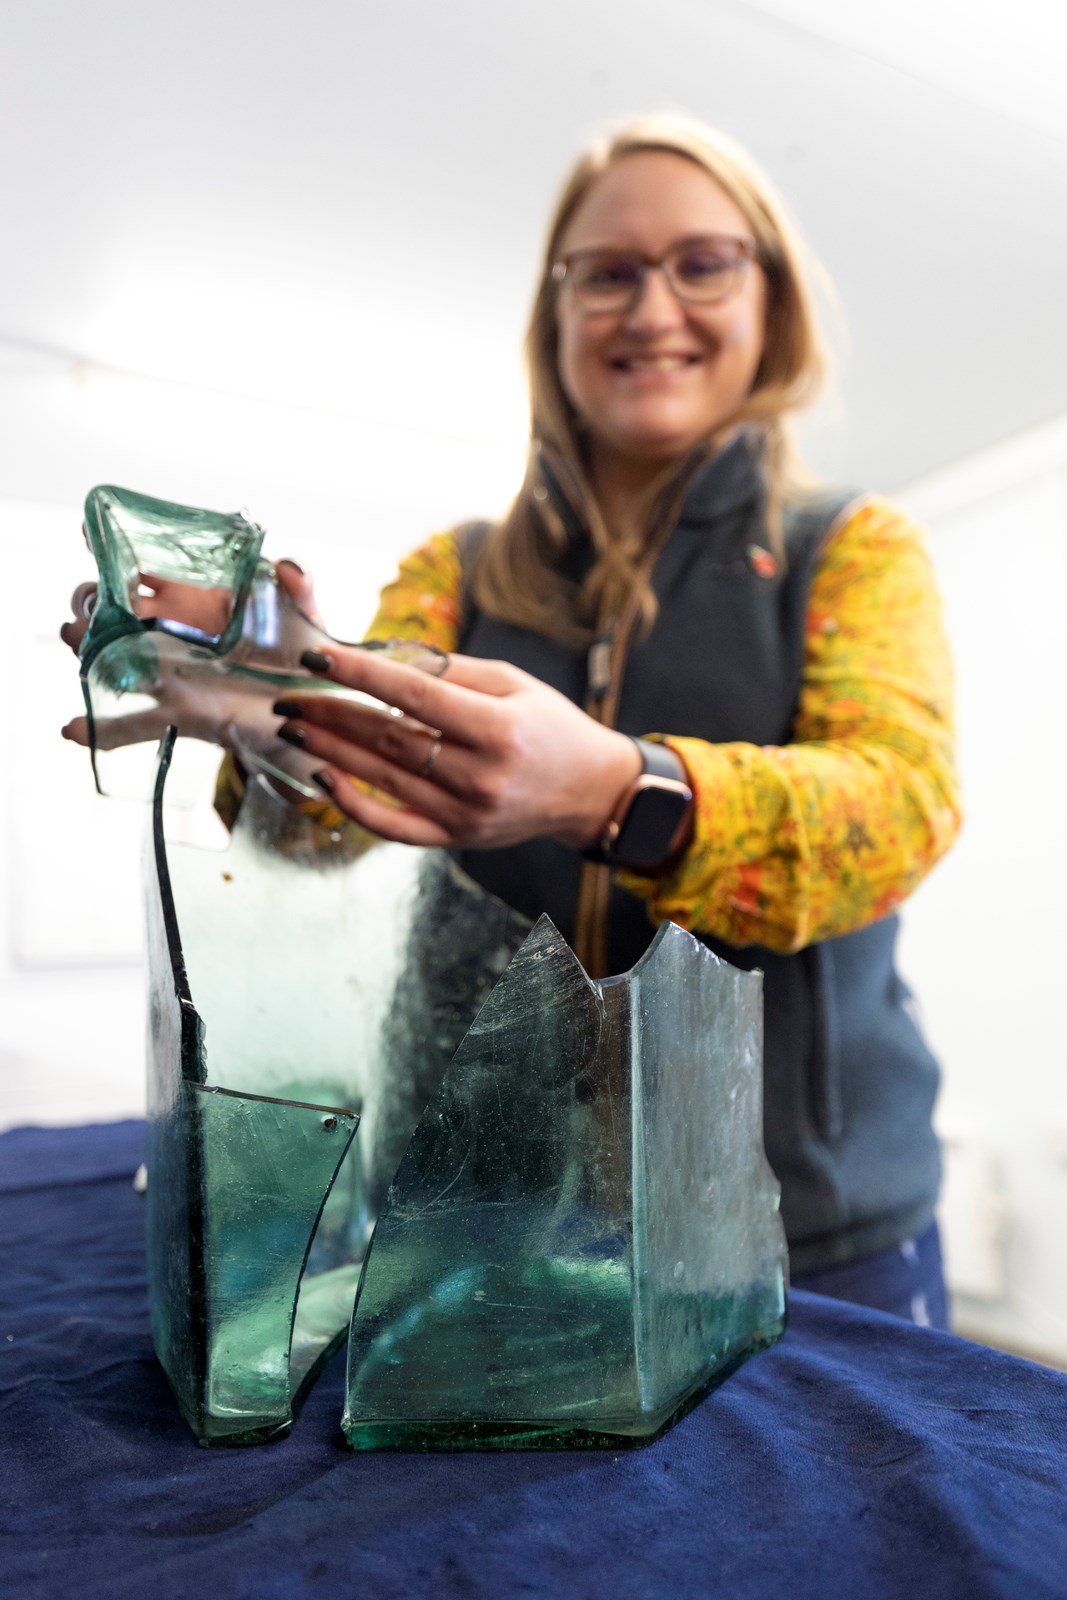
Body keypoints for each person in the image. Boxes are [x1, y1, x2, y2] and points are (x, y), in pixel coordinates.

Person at [66, 113, 962, 1325]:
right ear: (556, 314)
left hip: (807, 1233)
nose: (651, 310)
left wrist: (615, 793)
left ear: (772, 300)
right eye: (607, 274)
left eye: (700, 262)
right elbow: (343, 836)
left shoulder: (849, 548)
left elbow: (895, 805)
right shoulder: (457, 570)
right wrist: (285, 740)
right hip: (495, 1215)